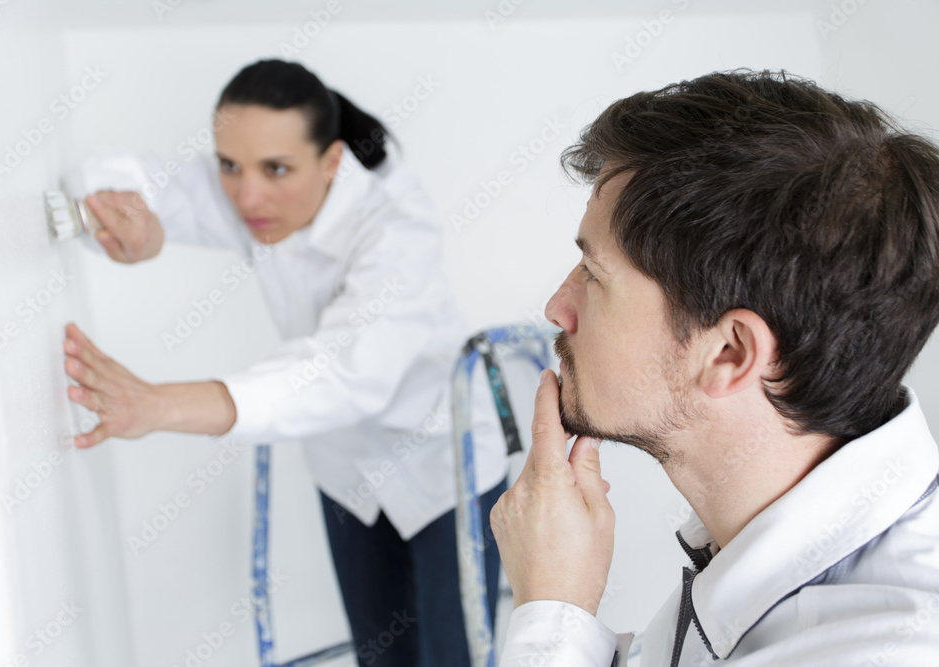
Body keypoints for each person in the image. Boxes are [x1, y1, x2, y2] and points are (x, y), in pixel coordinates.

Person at [61, 59, 508, 666]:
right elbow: (102, 176)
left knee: (454, 658)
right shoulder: (255, 195)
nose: (247, 197)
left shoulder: (397, 227)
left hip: (443, 467)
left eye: (276, 169)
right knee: (382, 657)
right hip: (346, 473)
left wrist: (158, 404)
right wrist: (130, 221)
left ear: (331, 161)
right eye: (228, 166)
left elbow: (346, 373)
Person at [492, 69, 939, 666]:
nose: (557, 308)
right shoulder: (758, 542)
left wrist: (551, 618)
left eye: (594, 276)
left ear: (730, 353)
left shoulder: (887, 648)